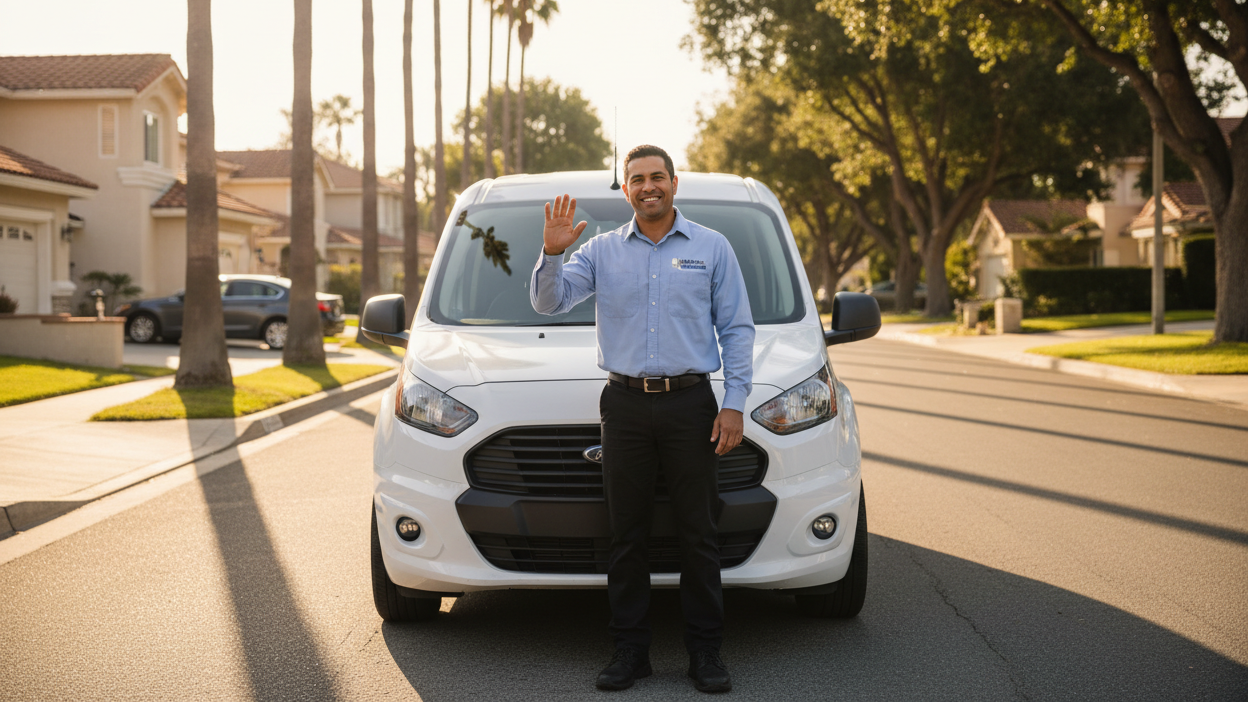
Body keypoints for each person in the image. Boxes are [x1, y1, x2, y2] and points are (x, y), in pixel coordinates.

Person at [530, 145, 755, 693]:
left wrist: (734, 403)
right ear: (626, 190)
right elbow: (548, 304)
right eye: (637, 179)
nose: (648, 186)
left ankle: (705, 653)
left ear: (675, 184)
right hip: (625, 406)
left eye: (658, 177)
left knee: (698, 532)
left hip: (692, 404)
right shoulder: (601, 251)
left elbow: (737, 329)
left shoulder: (712, 248)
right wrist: (552, 254)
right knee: (626, 533)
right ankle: (631, 651)